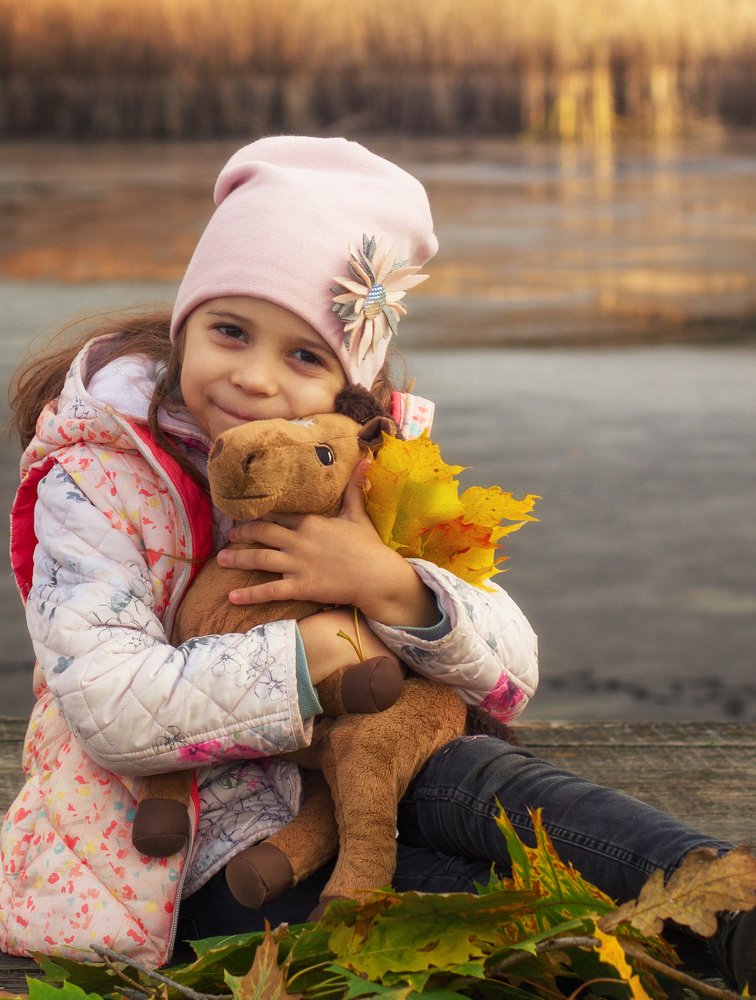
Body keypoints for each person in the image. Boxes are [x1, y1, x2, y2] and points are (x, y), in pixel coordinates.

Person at [0, 136, 752, 991]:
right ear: (186, 329)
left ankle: (732, 899)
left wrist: (391, 586)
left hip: (375, 779)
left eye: (304, 355)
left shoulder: (363, 475)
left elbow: (513, 672)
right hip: (189, 864)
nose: (253, 378)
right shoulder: (98, 477)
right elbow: (107, 706)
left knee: (481, 772)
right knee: (504, 917)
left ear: (347, 391)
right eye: (230, 331)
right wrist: (309, 662)